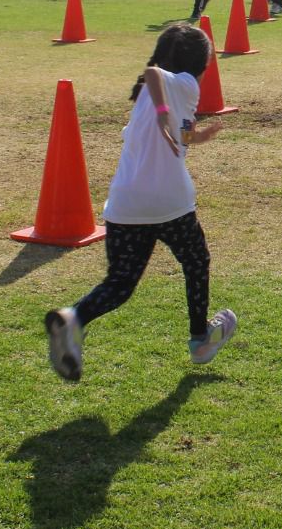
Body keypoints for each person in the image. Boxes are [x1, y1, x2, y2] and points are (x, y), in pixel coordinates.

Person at [44, 23, 235, 381]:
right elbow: (153, 74)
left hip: (125, 204)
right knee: (195, 262)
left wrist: (197, 137)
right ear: (200, 65)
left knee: (120, 283)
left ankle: (73, 320)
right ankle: (199, 340)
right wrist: (165, 112)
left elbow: (179, 131)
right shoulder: (183, 84)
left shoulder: (150, 98)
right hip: (170, 203)